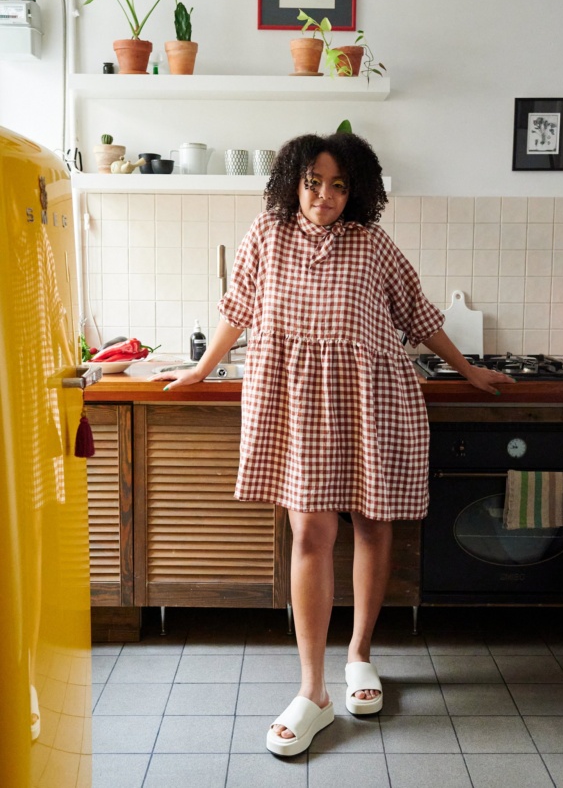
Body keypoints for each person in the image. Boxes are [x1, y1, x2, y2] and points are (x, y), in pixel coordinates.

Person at [150, 132, 514, 756]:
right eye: (313, 182)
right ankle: (313, 689)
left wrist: (469, 368)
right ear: (293, 181)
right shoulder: (266, 235)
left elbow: (421, 317)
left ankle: (361, 655)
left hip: (372, 401)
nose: (324, 195)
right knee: (311, 533)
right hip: (296, 407)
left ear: (358, 190)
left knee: (374, 525)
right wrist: (205, 367)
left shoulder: (372, 245)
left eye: (339, 185)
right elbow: (237, 308)